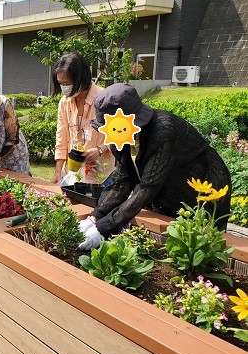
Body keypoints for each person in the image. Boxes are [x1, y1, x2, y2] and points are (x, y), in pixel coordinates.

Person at [78, 83, 232, 250]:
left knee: (203, 247)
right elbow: (123, 180)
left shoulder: (164, 131)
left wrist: (103, 228)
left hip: (206, 188)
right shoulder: (119, 140)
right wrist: (95, 217)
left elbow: (147, 186)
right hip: (168, 190)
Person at [51, 52, 115, 185]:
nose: (64, 88)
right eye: (60, 83)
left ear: (81, 78)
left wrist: (100, 149)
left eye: (67, 83)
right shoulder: (64, 102)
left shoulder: (105, 99)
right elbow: (61, 137)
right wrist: (58, 172)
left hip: (103, 175)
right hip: (73, 174)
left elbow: (120, 134)